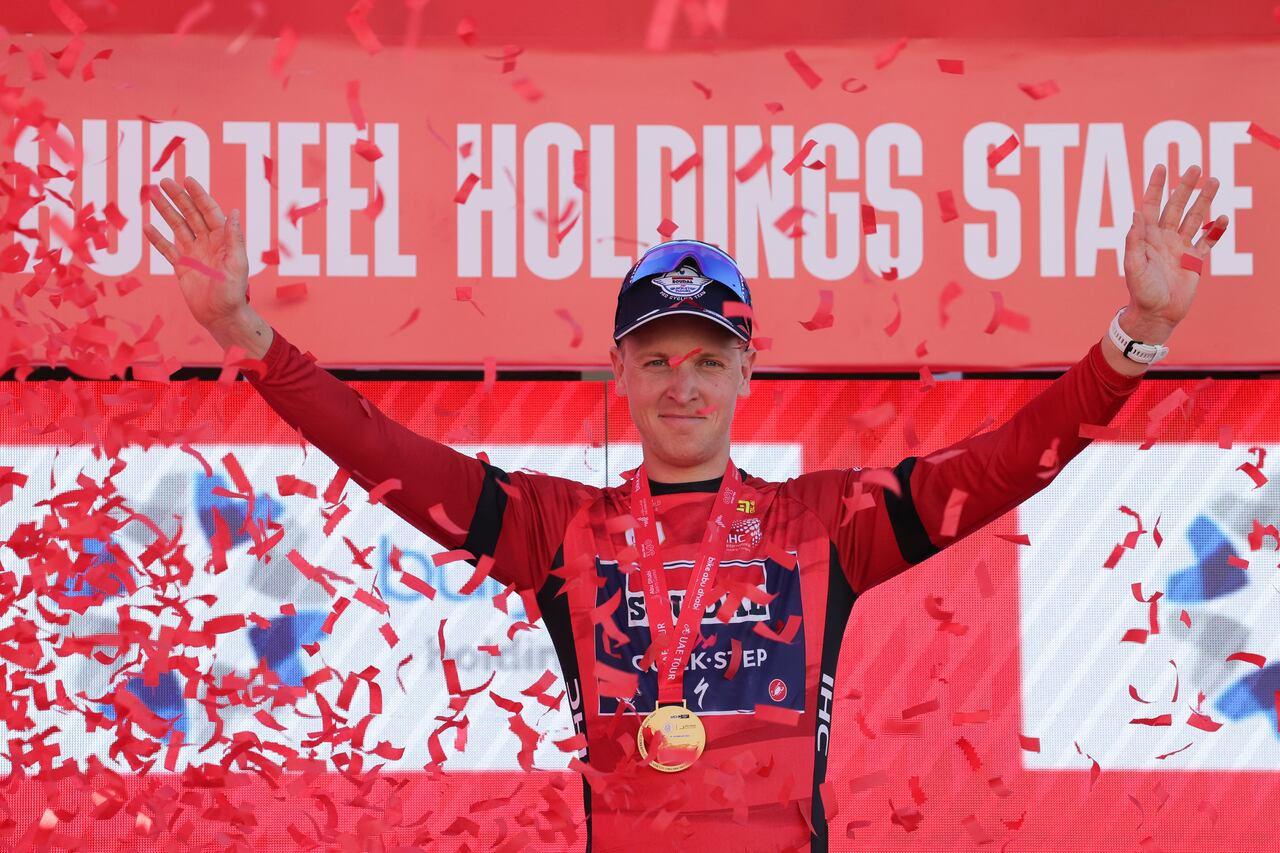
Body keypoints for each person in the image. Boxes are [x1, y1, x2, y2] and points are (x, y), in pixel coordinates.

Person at [143, 165, 1228, 852]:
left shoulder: (825, 523)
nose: (681, 384)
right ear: (618, 370)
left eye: (706, 360)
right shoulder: (552, 527)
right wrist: (246, 330)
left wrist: (1130, 337)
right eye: (655, 359)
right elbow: (385, 451)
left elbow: (1000, 466)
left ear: (746, 372)